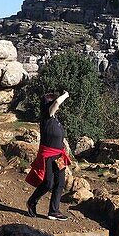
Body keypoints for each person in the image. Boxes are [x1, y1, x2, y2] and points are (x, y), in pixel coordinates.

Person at [25, 91, 72, 221]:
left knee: (60, 183)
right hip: (48, 155)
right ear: (49, 105)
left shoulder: (55, 119)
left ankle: (54, 211)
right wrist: (66, 95)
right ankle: (32, 202)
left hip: (59, 155)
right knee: (48, 183)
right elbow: (57, 103)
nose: (57, 106)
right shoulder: (46, 116)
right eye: (54, 103)